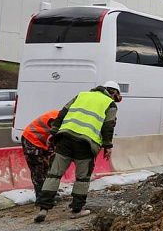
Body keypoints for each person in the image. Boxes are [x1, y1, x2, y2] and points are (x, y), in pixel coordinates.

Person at [34, 82, 120, 222]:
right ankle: (77, 210)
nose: (115, 100)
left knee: (54, 175)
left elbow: (62, 113)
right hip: (85, 145)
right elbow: (108, 126)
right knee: (82, 179)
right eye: (116, 98)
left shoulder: (81, 95)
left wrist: (54, 132)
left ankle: (43, 209)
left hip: (65, 139)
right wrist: (108, 146)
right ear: (114, 94)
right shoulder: (110, 103)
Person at [21, 110, 60, 198]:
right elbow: (56, 135)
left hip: (41, 143)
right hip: (31, 140)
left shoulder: (60, 117)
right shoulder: (55, 118)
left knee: (46, 168)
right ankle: (41, 197)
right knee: (38, 170)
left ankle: (47, 193)